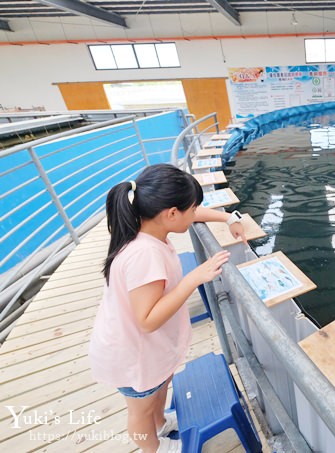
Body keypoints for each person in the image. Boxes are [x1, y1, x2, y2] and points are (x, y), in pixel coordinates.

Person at [88, 164, 246, 453]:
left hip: (145, 348)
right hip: (131, 353)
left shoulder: (145, 224)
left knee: (159, 386)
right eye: (192, 208)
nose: (195, 212)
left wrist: (228, 217)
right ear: (171, 214)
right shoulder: (144, 254)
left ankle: (160, 424)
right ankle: (155, 448)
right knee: (140, 411)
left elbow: (193, 213)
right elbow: (147, 320)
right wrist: (193, 279)